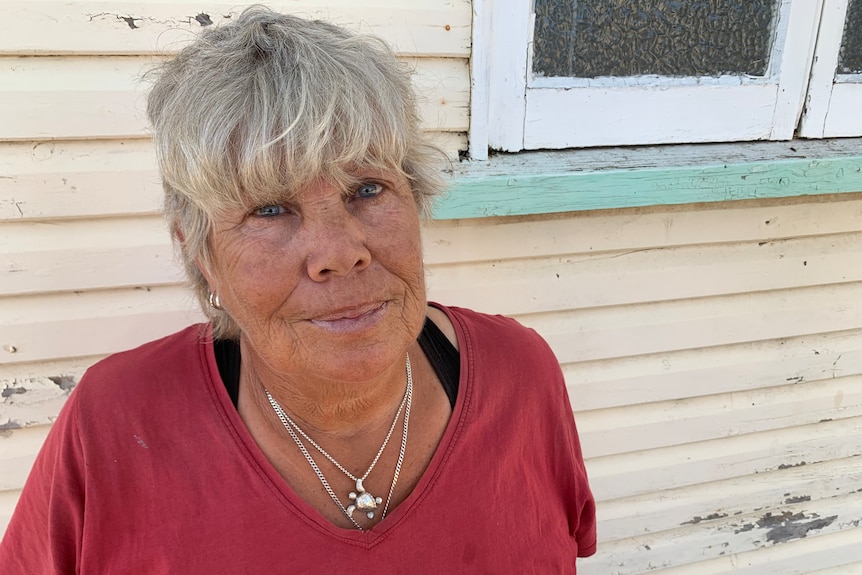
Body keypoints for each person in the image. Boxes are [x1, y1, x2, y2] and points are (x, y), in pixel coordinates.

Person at [0, 6, 595, 572]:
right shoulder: (115, 423)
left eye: (367, 189)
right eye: (269, 208)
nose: (339, 252)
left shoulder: (522, 375)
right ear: (201, 251)